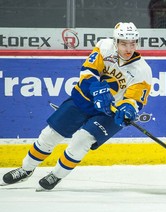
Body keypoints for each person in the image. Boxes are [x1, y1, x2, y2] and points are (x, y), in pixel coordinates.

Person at [1, 22, 152, 191]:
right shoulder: (104, 46)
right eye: (124, 43)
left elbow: (135, 99)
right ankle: (26, 169)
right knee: (49, 135)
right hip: (84, 100)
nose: (128, 48)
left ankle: (56, 175)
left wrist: (127, 109)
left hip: (109, 112)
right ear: (115, 41)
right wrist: (95, 89)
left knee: (82, 140)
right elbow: (88, 71)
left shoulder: (142, 70)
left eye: (132, 43)